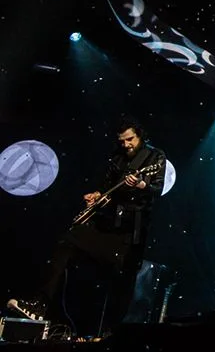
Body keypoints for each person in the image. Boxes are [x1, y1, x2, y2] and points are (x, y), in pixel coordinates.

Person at [7, 117, 166, 334]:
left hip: (131, 231)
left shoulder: (155, 156)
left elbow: (157, 189)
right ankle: (40, 305)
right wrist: (97, 195)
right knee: (68, 241)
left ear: (140, 136)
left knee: (123, 282)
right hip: (108, 224)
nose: (126, 144)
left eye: (130, 139)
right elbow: (108, 187)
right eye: (122, 141)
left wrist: (140, 184)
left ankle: (114, 333)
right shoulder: (117, 157)